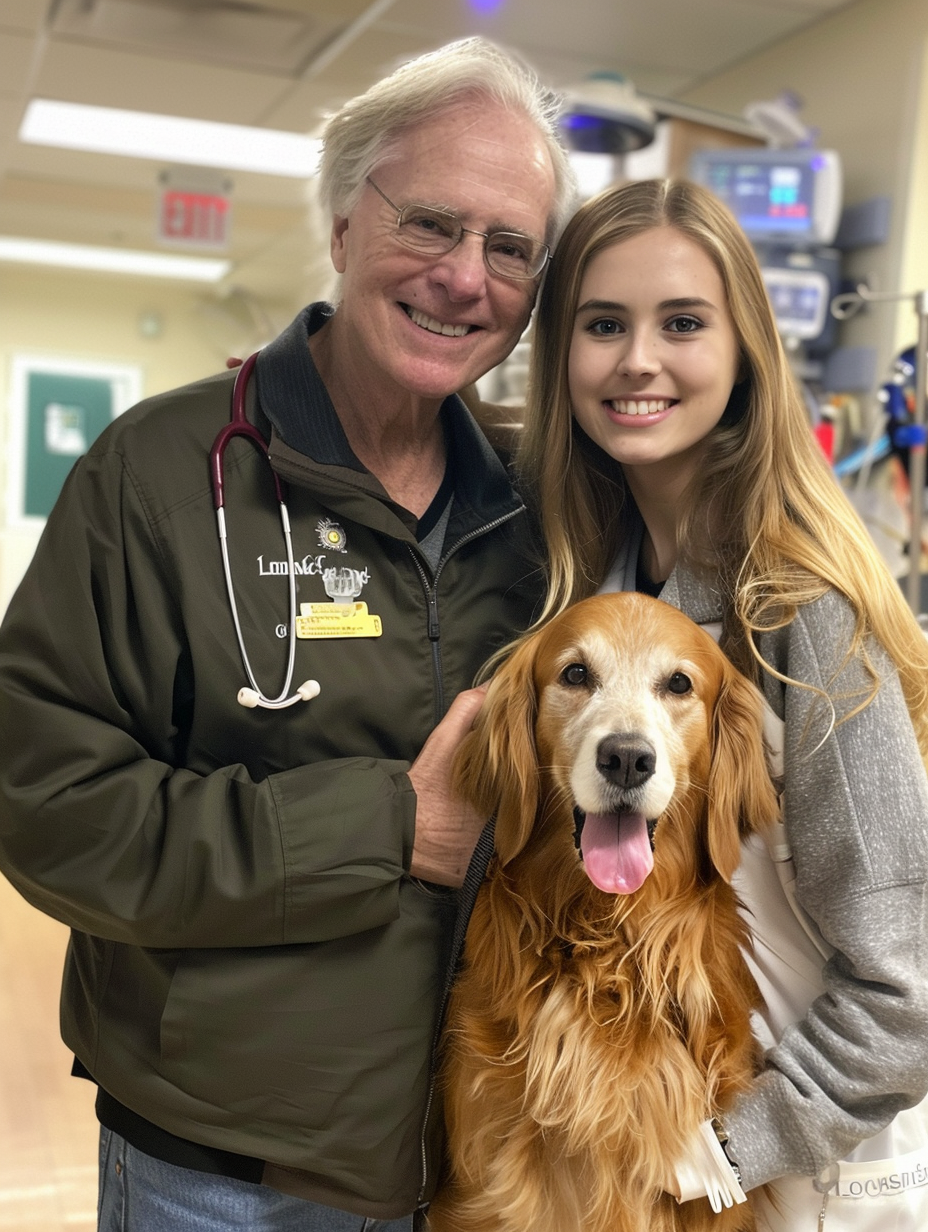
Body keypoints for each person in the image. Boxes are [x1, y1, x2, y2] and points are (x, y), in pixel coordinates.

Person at [0, 37, 577, 1232]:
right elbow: (46, 802)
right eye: (430, 223)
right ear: (344, 226)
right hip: (219, 1170)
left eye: (510, 247)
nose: (466, 277)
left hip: (485, 1158)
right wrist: (385, 827)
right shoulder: (159, 478)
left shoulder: (546, 510)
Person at [515, 176, 928, 1228]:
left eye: (682, 323)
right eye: (603, 324)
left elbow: (909, 992)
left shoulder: (803, 609)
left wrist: (714, 1156)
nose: (636, 360)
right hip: (650, 1145)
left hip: (788, 1172)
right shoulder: (604, 578)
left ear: (745, 348)